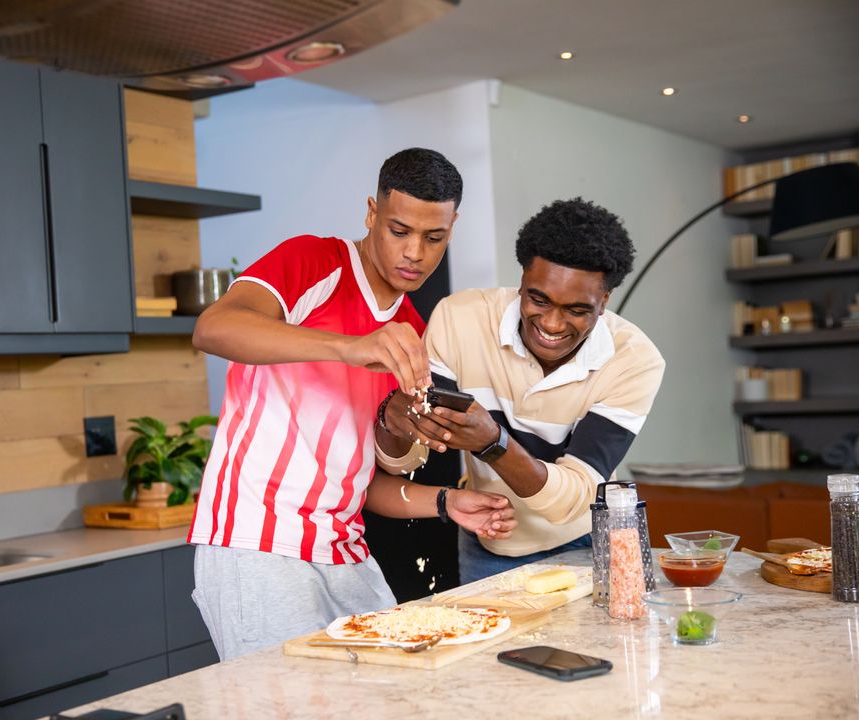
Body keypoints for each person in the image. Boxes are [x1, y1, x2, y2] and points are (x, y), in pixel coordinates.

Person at [188, 148, 516, 659]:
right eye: (399, 230)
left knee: (394, 692)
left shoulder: (413, 330)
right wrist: (350, 346)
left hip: (345, 549)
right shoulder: (314, 261)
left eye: (434, 238)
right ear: (371, 213)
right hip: (258, 543)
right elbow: (213, 328)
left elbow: (359, 481)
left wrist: (444, 502)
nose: (415, 253)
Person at [384, 197, 665, 583]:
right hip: (494, 541)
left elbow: (574, 499)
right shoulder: (460, 320)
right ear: (521, 280)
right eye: (538, 299)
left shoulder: (634, 360)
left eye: (577, 310)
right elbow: (419, 446)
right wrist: (395, 420)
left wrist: (493, 444)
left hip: (591, 544)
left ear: (605, 301)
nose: (551, 323)